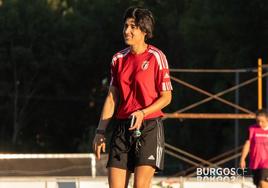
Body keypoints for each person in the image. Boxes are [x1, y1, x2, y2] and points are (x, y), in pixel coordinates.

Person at [92, 6, 172, 188]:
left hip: (149, 128)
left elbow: (166, 97)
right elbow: (112, 98)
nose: (126, 31)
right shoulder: (117, 59)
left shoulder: (157, 57)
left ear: (144, 30)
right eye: (125, 26)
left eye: (132, 26)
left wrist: (143, 112)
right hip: (122, 129)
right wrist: (100, 131)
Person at [240, 109, 268, 188]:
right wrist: (243, 158)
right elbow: (247, 143)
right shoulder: (252, 129)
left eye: (262, 121)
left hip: (266, 163)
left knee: (263, 183)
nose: (260, 123)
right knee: (258, 185)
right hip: (255, 162)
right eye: (258, 121)